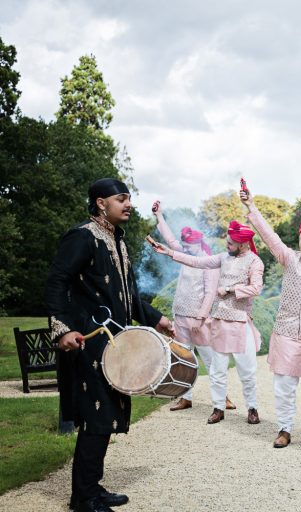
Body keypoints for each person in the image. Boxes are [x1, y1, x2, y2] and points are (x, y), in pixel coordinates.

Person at [46, 178, 173, 512]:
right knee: (96, 416)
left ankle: (91, 487)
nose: (128, 204)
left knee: (105, 417)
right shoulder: (83, 237)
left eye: (129, 198)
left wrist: (156, 318)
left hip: (114, 343)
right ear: (101, 203)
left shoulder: (117, 240)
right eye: (121, 199)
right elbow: (57, 281)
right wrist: (62, 330)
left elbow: (128, 295)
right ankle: (83, 498)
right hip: (88, 341)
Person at [240, 190, 301, 448]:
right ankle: (284, 429)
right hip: (286, 332)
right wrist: (251, 206)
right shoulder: (290, 259)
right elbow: (270, 237)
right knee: (284, 386)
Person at [154, 220, 263, 425]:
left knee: (247, 371)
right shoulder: (222, 258)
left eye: (230, 243)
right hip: (220, 322)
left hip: (240, 323)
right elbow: (197, 262)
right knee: (217, 369)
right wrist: (169, 253)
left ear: (242, 244)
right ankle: (218, 409)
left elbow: (256, 288)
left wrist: (231, 289)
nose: (226, 245)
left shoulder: (255, 262)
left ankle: (252, 408)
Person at [152, 201, 236, 412]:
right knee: (183, 359)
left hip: (200, 320)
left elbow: (210, 294)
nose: (185, 248)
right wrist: (159, 216)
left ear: (199, 243)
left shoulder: (208, 262)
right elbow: (169, 240)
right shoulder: (184, 255)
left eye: (189, 245)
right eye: (184, 245)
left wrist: (200, 318)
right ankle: (185, 397)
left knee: (210, 360)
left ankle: (223, 397)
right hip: (180, 316)